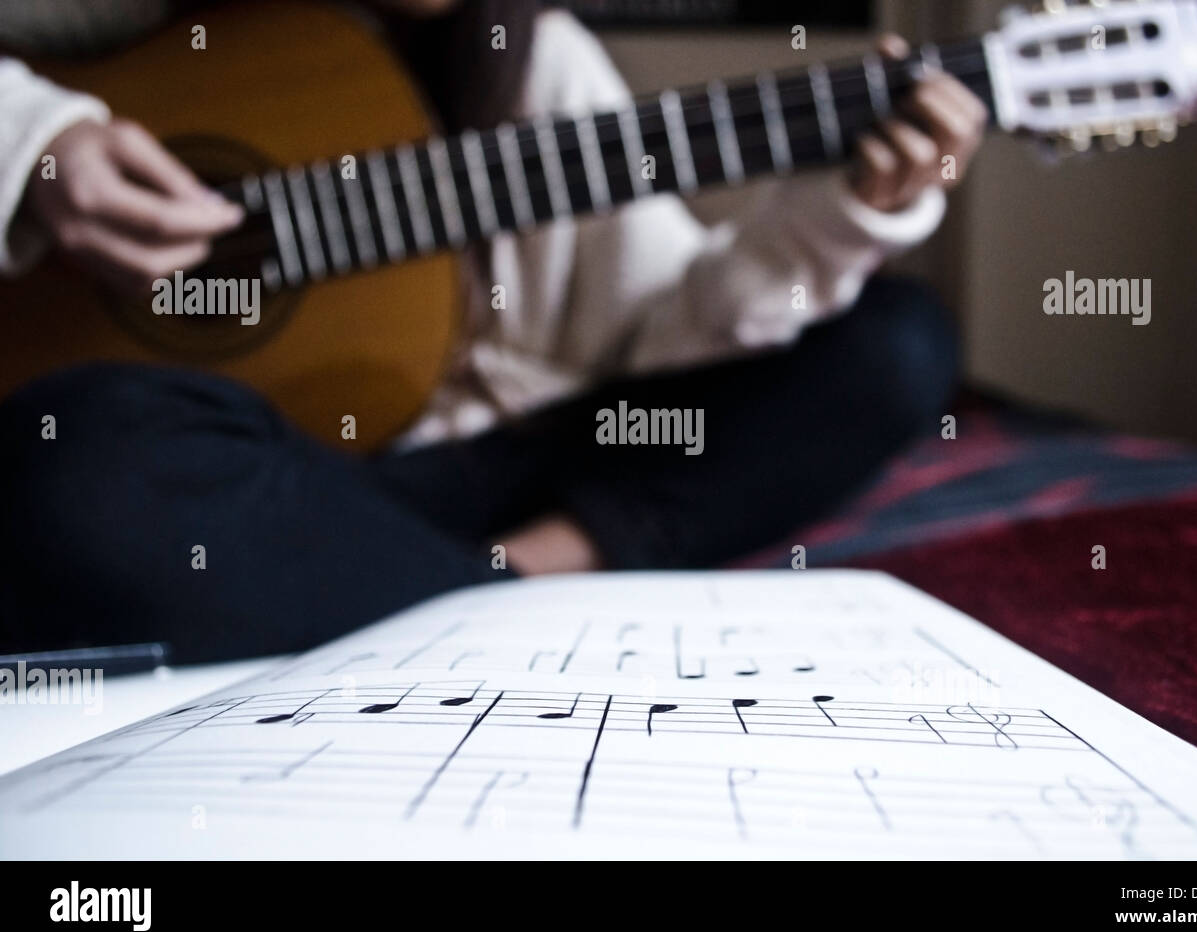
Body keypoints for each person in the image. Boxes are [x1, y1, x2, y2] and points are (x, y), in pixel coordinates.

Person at [0, 0, 987, 661]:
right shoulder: (182, 31)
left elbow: (678, 334)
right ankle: (489, 603)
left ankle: (493, 587)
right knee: (80, 466)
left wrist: (847, 213)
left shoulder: (535, 58)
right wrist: (39, 142)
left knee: (901, 344)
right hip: (304, 479)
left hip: (537, 465)